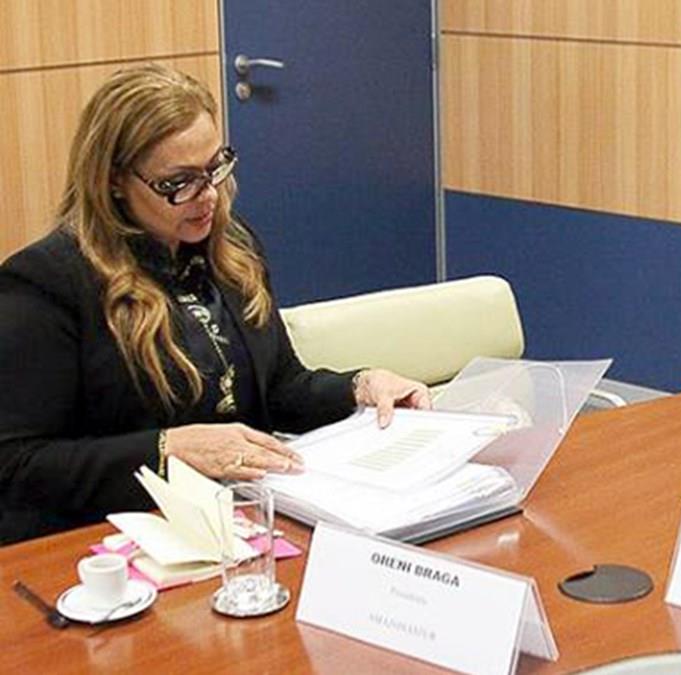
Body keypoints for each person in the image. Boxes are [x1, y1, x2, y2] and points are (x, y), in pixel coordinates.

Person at [0, 64, 432, 544]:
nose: (208, 196)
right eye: (178, 183)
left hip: (242, 522)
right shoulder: (46, 283)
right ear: (114, 181)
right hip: (115, 540)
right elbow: (17, 464)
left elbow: (281, 388)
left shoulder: (231, 249)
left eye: (215, 168)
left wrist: (359, 388)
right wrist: (166, 450)